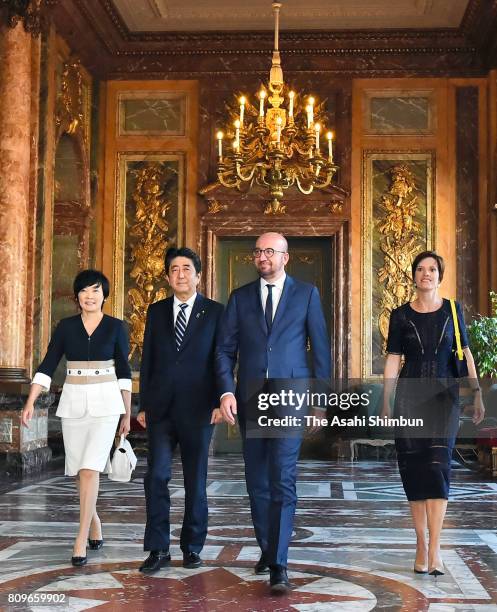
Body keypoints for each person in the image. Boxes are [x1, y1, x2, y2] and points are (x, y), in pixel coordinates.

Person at [216, 232, 331, 594]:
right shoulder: (239, 298)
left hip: (291, 398)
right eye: (258, 251)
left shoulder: (306, 294)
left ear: (285, 257)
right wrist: (226, 391)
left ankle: (279, 562)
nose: (262, 257)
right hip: (250, 398)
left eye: (270, 251)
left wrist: (320, 401)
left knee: (283, 476)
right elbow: (224, 351)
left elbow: (320, 352)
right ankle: (268, 547)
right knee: (257, 480)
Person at [382, 251, 485, 576]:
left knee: (439, 468)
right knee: (413, 470)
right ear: (413, 275)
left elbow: (466, 354)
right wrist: (386, 401)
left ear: (440, 276)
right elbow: (393, 360)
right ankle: (421, 545)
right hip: (408, 400)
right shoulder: (399, 315)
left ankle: (436, 547)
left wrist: (478, 394)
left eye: (432, 269)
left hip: (444, 401)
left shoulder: (454, 311)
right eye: (421, 269)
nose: (426, 274)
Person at [21, 269, 132, 567]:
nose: (90, 296)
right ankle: (94, 522)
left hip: (106, 405)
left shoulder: (116, 327)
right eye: (84, 291)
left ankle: (80, 537)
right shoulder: (66, 327)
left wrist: (127, 413)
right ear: (77, 296)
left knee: (90, 469)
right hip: (72, 404)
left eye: (96, 290)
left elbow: (124, 372)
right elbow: (47, 364)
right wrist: (31, 400)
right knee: (79, 469)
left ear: (104, 295)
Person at [137, 247, 224, 574]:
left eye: (187, 268)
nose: (181, 274)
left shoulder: (215, 312)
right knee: (156, 476)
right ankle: (158, 549)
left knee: (195, 480)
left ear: (198, 275)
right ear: (167, 276)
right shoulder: (156, 311)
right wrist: (143, 403)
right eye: (174, 269)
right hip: (160, 409)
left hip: (200, 408)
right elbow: (148, 360)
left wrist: (219, 399)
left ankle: (192, 547)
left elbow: (222, 359)